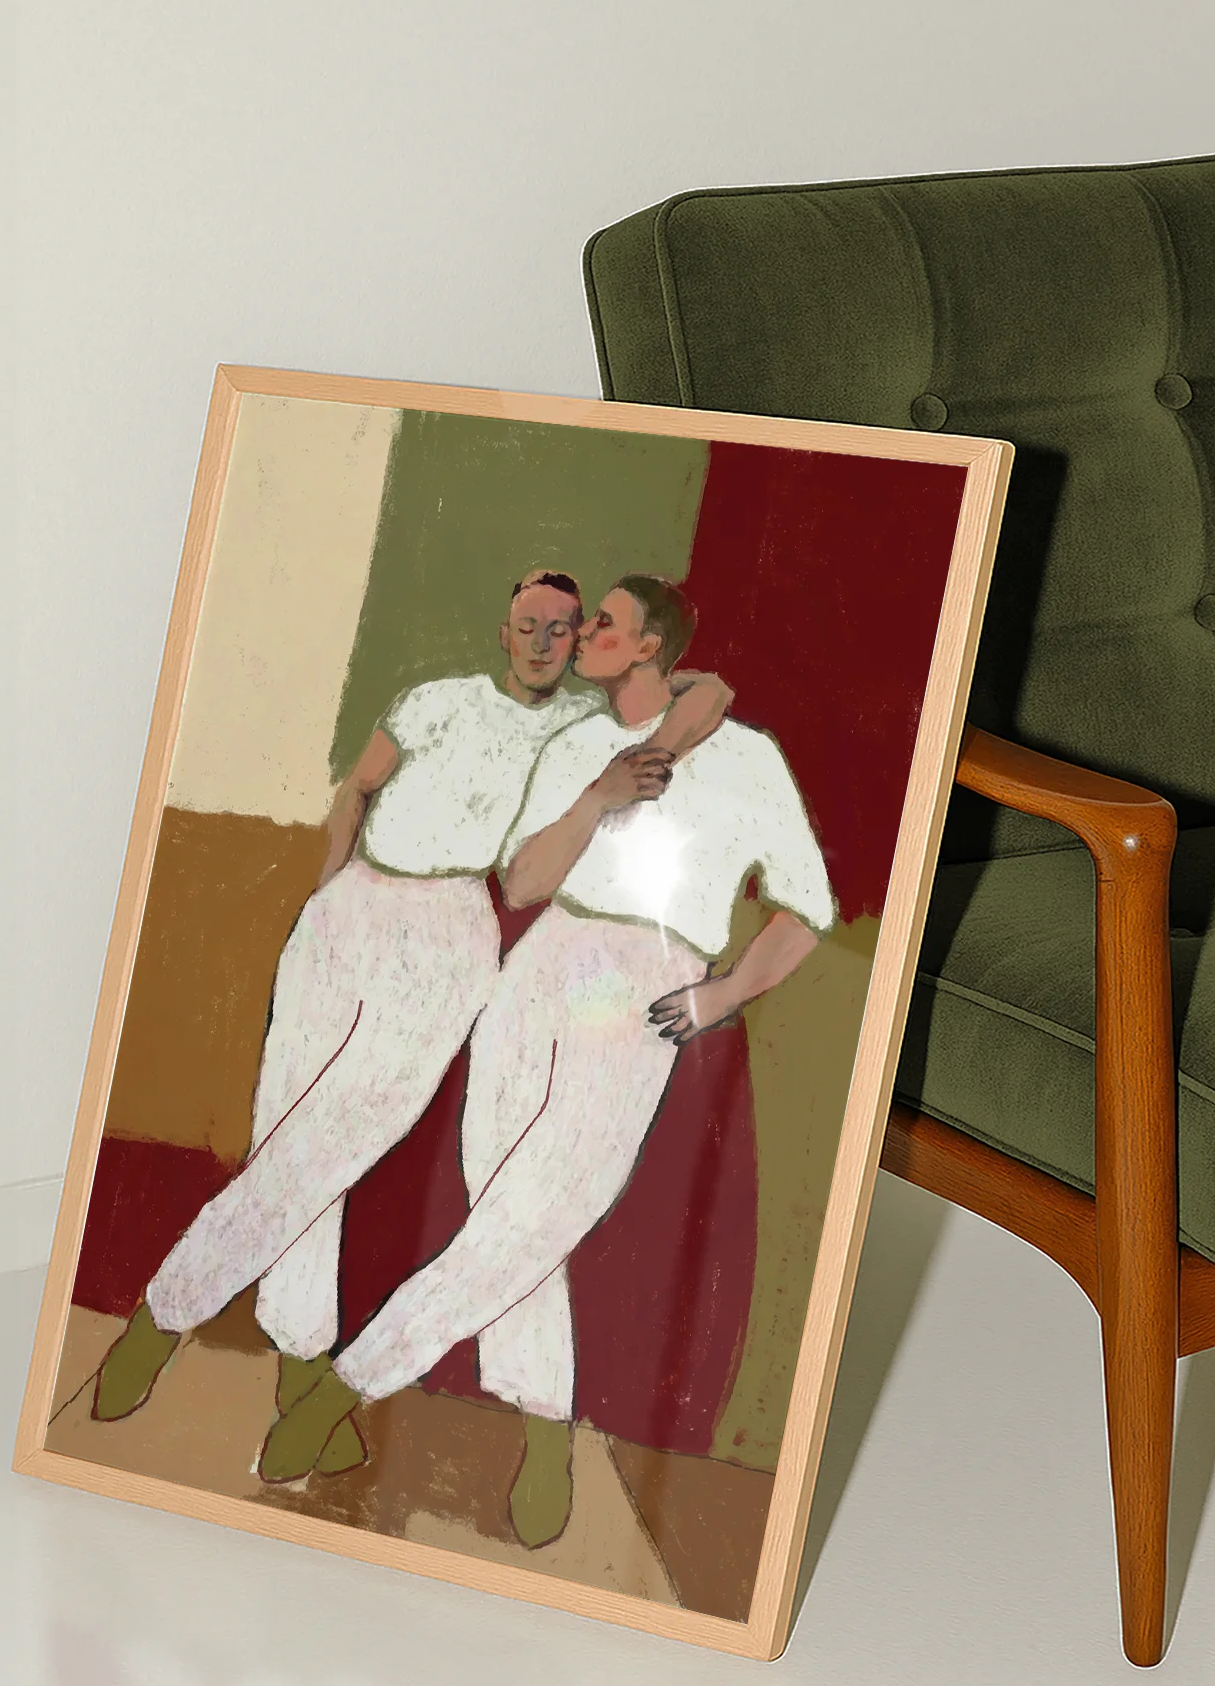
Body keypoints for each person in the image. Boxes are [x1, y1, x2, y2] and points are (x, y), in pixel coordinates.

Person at [90, 570, 734, 1465]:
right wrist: (327, 901)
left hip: (446, 936)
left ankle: (161, 1320)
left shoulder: (582, 732)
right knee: (284, 1131)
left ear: (583, 642)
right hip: (347, 913)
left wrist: (643, 750)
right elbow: (357, 788)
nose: (544, 641)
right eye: (528, 624)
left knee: (329, 1144)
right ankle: (298, 1370)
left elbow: (713, 692)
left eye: (563, 628)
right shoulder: (434, 700)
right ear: (503, 630)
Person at [256, 576, 834, 1546]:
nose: (581, 635)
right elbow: (522, 880)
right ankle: (545, 1430)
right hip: (540, 971)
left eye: (603, 623)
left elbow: (806, 907)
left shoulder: (746, 758)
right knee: (503, 1210)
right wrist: (598, 797)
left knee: (538, 1215)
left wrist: (726, 992)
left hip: (644, 984)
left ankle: (345, 1385)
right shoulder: (575, 743)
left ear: (649, 646)